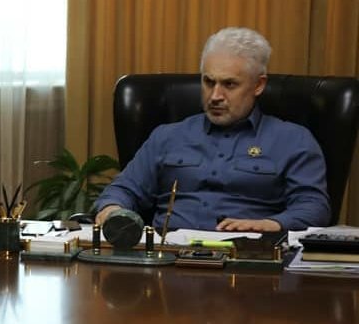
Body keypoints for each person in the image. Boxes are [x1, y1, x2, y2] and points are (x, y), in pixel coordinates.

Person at [93, 27, 331, 233]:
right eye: (208, 82)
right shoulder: (167, 136)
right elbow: (124, 190)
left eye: (229, 84)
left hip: (247, 256)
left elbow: (314, 207)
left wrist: (269, 224)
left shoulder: (293, 140)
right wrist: (112, 210)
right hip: (168, 255)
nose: (215, 96)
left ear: (258, 85)